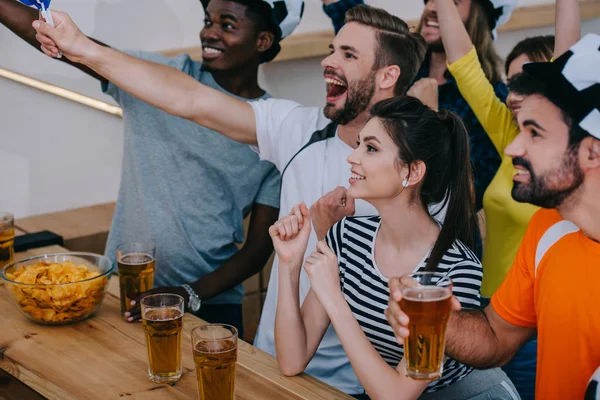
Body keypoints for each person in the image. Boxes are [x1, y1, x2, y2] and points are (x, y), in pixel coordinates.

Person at [30, 4, 431, 395]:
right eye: (331, 48)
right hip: (272, 363)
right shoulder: (296, 128)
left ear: (387, 75)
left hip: (354, 385)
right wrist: (82, 47)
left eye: (348, 53)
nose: (328, 61)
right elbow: (191, 100)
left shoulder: (418, 173)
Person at [0, 0, 308, 336]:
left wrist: (189, 294)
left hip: (209, 303)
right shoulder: (159, 77)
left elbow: (257, 250)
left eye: (228, 24)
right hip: (125, 291)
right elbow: (76, 48)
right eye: (208, 20)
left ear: (262, 40)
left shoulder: (273, 128)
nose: (209, 32)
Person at [386, 34, 600, 400]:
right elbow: (497, 337)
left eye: (534, 133)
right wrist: (438, 324)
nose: (514, 147)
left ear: (592, 151)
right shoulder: (547, 228)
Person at [270, 96, 518, 399]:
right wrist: (289, 264)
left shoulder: (455, 270)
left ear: (412, 173)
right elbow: (292, 360)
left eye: (370, 148)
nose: (352, 157)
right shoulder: (347, 237)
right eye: (358, 144)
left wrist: (335, 299)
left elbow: (398, 395)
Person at [433, 0, 580, 396]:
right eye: (512, 82)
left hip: (539, 321)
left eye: (529, 82)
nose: (515, 94)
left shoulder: (564, 150)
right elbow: (466, 70)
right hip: (491, 308)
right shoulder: (508, 137)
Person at [321, 0, 514, 212]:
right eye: (429, 0)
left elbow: (467, 195)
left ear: (479, 18)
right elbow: (355, 29)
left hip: (440, 236)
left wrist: (430, 115)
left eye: (452, 2)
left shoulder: (492, 98)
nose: (432, 8)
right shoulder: (405, 70)